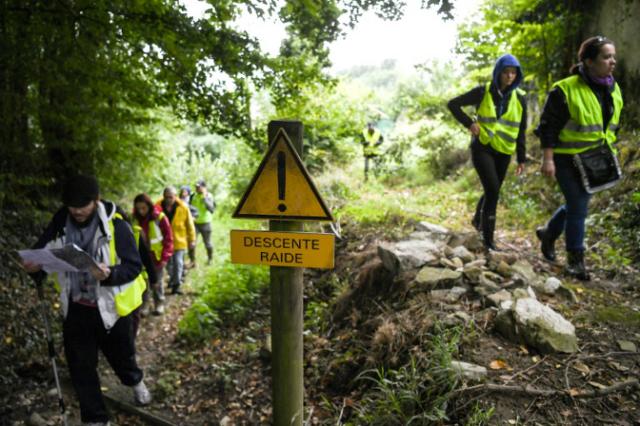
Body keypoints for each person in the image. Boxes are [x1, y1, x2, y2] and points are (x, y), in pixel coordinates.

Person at [21, 175, 151, 426]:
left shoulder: (117, 224)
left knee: (122, 359)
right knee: (81, 367)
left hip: (112, 310)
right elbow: (42, 250)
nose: (77, 211)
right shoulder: (61, 220)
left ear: (96, 200)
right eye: (72, 205)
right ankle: (96, 420)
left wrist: (109, 274)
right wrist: (34, 266)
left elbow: (134, 267)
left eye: (83, 205)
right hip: (76, 307)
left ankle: (135, 382)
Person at [535, 36, 622, 281]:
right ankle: (576, 260)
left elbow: (611, 126)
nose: (612, 61)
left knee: (577, 204)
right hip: (565, 158)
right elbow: (548, 126)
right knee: (578, 207)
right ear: (588, 61)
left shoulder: (613, 88)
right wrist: (547, 159)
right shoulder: (565, 89)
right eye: (606, 57)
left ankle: (549, 233)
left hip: (595, 159)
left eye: (613, 56)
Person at [447, 54, 527, 250]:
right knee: (492, 190)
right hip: (482, 147)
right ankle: (488, 239)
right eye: (506, 72)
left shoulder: (521, 99)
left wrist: (522, 158)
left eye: (513, 73)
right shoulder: (482, 92)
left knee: (493, 189)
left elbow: (521, 129)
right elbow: (453, 104)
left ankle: (477, 220)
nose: (509, 76)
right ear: (498, 73)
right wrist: (469, 123)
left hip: (505, 150)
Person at [133, 193, 173, 315]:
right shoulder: (134, 219)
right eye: (138, 208)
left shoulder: (160, 218)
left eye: (143, 208)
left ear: (149, 206)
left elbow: (168, 238)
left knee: (157, 282)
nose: (141, 211)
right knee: (144, 283)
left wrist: (165, 257)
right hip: (141, 258)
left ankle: (159, 303)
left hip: (157, 257)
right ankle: (145, 305)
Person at [158, 186, 195, 295]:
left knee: (178, 263)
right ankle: (172, 280)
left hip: (179, 240)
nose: (168, 199)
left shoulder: (183, 207)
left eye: (170, 197)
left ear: (175, 196)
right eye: (166, 197)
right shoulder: (157, 206)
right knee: (169, 264)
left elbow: (189, 224)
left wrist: (192, 239)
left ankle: (176, 285)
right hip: (164, 241)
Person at [190, 179, 216, 265]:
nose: (197, 189)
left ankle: (210, 259)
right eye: (196, 187)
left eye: (199, 187)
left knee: (207, 243)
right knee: (192, 243)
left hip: (205, 223)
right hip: (194, 223)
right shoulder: (193, 196)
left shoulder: (209, 196)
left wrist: (205, 198)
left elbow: (211, 209)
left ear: (204, 187)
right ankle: (192, 261)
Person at [179, 185, 198, 268]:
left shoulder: (191, 200)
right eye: (182, 191)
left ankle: (192, 261)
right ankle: (182, 264)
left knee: (191, 245)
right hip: (180, 227)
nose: (183, 193)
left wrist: (193, 218)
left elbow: (196, 211)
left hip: (190, 226)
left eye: (185, 191)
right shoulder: (177, 201)